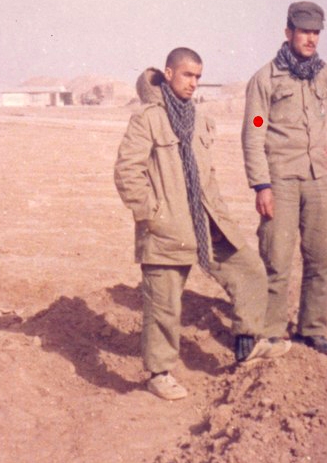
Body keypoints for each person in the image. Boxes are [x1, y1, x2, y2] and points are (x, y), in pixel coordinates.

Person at [115, 48, 280, 400]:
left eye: (198, 77)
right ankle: (159, 374)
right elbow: (127, 172)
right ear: (169, 73)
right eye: (187, 75)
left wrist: (219, 214)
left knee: (249, 269)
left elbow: (208, 175)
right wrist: (154, 214)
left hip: (207, 223)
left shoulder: (200, 119)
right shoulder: (148, 119)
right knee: (164, 305)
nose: (193, 83)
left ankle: (247, 344)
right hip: (167, 228)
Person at [242, 1, 327, 356]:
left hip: (318, 180)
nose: (311, 39)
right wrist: (261, 184)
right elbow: (255, 129)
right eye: (304, 32)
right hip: (280, 181)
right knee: (276, 259)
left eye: (316, 33)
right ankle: (271, 332)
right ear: (288, 33)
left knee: (320, 258)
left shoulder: (324, 74)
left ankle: (313, 329)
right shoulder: (266, 80)